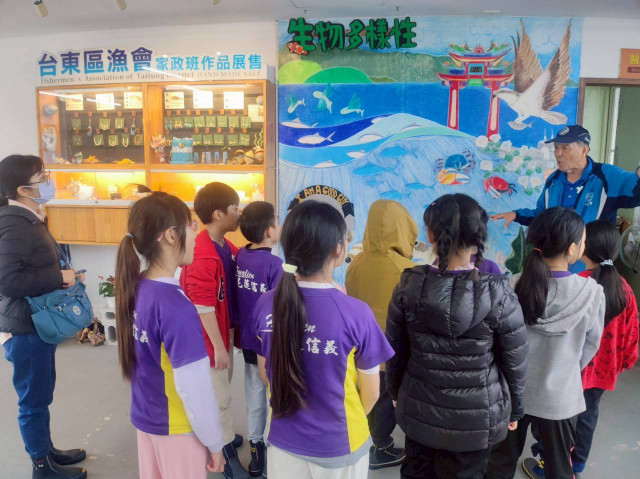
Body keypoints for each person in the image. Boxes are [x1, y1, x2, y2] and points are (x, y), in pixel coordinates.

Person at [386, 193, 528, 479]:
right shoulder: (499, 294)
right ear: (478, 237)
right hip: (476, 419)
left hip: (419, 411)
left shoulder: (408, 286)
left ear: (430, 234)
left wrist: (394, 392)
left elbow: (395, 350)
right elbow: (515, 361)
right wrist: (515, 409)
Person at [251, 200, 394, 478]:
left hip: (282, 442)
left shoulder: (266, 303)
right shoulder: (356, 312)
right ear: (338, 250)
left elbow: (265, 374)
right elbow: (372, 393)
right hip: (340, 444)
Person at [485, 207, 605, 479]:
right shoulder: (592, 293)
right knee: (559, 467)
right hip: (560, 398)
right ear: (572, 249)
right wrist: (565, 369)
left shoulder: (510, 286)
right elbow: (590, 347)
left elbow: (496, 342)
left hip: (511, 394)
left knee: (499, 464)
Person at [114, 192, 225, 478]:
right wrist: (215, 442)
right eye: (191, 225)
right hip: (176, 429)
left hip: (146, 420)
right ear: (172, 236)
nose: (196, 234)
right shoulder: (175, 306)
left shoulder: (137, 287)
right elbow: (195, 387)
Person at [521, 220, 639, 479]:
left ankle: (549, 464)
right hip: (603, 371)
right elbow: (631, 333)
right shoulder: (626, 289)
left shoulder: (580, 284)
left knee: (555, 422)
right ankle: (576, 467)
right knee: (587, 418)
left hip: (570, 371)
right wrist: (624, 362)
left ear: (582, 249)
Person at [0, 154, 87, 479]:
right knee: (33, 400)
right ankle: (41, 466)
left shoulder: (29, 218)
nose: (49, 182)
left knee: (40, 392)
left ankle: (46, 450)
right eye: (42, 178)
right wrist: (58, 277)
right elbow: (7, 280)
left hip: (36, 322)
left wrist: (64, 275)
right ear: (23, 189)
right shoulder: (14, 224)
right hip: (25, 326)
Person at [491, 125, 640, 270]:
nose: (558, 153)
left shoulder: (606, 176)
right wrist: (516, 215)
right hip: (557, 268)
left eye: (565, 148)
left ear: (584, 150)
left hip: (592, 269)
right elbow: (543, 216)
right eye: (556, 147)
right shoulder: (553, 181)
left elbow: (635, 191)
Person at [179, 182, 248, 478]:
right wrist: (219, 347)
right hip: (209, 338)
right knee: (218, 397)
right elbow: (202, 306)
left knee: (221, 388)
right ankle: (225, 454)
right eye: (235, 208)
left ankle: (222, 436)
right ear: (219, 214)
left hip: (222, 330)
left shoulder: (223, 246)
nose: (239, 214)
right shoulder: (203, 254)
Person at [344, 200, 413, 470]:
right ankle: (380, 446)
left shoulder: (356, 263)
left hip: (358, 348)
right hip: (391, 351)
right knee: (386, 400)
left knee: (365, 394)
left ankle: (365, 440)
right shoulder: (407, 269)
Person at [235, 201, 283, 477]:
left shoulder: (241, 256)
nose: (279, 225)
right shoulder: (275, 265)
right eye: (277, 220)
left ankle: (256, 453)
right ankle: (271, 449)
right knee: (274, 397)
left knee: (254, 398)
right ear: (269, 231)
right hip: (270, 345)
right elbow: (280, 309)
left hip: (248, 341)